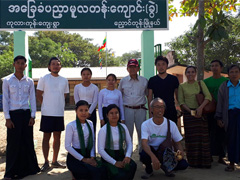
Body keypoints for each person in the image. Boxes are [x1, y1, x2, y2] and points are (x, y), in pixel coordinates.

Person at [2, 55, 40, 179]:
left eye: (22, 63)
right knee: (13, 144)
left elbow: (32, 99)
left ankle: (29, 169)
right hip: (13, 115)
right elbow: (6, 100)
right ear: (14, 65)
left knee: (27, 141)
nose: (20, 65)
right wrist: (7, 118)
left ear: (25, 65)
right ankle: (10, 172)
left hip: (26, 114)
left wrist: (33, 116)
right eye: (17, 63)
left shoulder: (29, 81)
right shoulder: (7, 81)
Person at [140, 98, 188, 178]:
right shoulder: (146, 124)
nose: (160, 109)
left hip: (166, 152)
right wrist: (153, 157)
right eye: (157, 107)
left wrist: (180, 154)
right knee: (144, 155)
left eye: (162, 107)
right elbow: (144, 143)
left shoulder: (171, 124)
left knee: (183, 164)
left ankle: (167, 168)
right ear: (151, 109)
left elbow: (178, 143)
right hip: (152, 151)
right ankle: (149, 170)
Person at [36, 57, 69, 172]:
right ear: (49, 66)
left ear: (60, 67)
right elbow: (39, 94)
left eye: (58, 64)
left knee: (57, 137)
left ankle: (55, 161)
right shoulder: (44, 78)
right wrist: (46, 105)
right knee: (46, 137)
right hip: (47, 113)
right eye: (53, 64)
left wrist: (56, 104)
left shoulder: (64, 80)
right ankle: (46, 162)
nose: (55, 66)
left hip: (59, 113)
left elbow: (64, 95)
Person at [178, 66, 212, 168]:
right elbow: (181, 102)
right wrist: (191, 111)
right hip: (189, 115)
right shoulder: (182, 86)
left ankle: (205, 162)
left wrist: (200, 108)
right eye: (188, 72)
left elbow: (208, 97)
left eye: (193, 72)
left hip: (201, 114)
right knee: (191, 139)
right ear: (185, 74)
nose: (190, 74)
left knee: (203, 139)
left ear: (195, 73)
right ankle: (193, 162)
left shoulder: (200, 83)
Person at [65, 100, 107, 180]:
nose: (84, 113)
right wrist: (84, 159)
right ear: (76, 111)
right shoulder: (71, 125)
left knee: (100, 170)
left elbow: (92, 141)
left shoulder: (90, 123)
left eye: (86, 110)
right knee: (85, 173)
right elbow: (67, 146)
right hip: (75, 156)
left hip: (87, 154)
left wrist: (92, 157)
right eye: (81, 110)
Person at [98, 104, 137, 180]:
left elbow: (129, 143)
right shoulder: (103, 130)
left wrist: (127, 156)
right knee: (118, 174)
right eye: (111, 113)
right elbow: (100, 150)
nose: (114, 115)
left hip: (120, 155)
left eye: (116, 113)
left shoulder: (123, 127)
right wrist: (114, 162)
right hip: (108, 157)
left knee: (133, 165)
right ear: (107, 115)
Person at [118, 59, 148, 150]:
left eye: (134, 67)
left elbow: (148, 95)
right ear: (127, 69)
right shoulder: (123, 81)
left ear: (138, 68)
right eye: (130, 67)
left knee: (141, 132)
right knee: (127, 133)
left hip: (141, 110)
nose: (132, 69)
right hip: (127, 110)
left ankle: (142, 154)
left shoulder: (144, 81)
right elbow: (119, 97)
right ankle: (127, 155)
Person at [215, 65, 240, 172]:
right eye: (232, 72)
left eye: (236, 72)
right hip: (229, 116)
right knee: (231, 140)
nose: (234, 74)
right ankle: (231, 164)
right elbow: (220, 103)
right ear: (228, 74)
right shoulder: (224, 86)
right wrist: (219, 118)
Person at [203, 60, 228, 164]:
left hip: (223, 111)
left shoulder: (226, 81)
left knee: (221, 134)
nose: (214, 68)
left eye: (216, 66)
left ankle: (221, 157)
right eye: (212, 66)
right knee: (209, 133)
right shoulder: (206, 82)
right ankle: (209, 155)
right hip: (210, 111)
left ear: (221, 68)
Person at [148, 56, 179, 124]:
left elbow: (178, 95)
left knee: (171, 131)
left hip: (171, 109)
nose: (161, 67)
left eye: (163, 64)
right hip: (156, 111)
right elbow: (150, 97)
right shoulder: (152, 80)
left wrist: (179, 108)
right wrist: (150, 112)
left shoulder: (173, 79)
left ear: (167, 65)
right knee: (158, 132)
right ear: (156, 66)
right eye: (158, 64)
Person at [74, 68, 99, 132]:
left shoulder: (95, 88)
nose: (86, 76)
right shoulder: (77, 87)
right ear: (81, 76)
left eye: (88, 74)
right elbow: (76, 100)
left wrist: (89, 112)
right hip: (80, 110)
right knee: (80, 131)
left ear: (91, 75)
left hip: (91, 110)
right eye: (84, 74)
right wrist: (81, 110)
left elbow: (95, 101)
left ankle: (92, 142)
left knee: (91, 130)